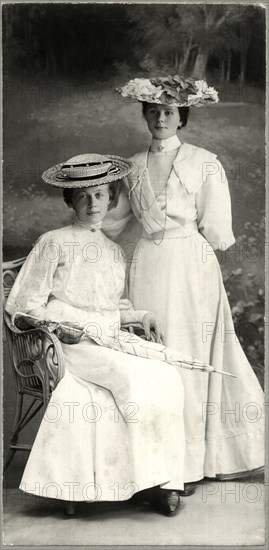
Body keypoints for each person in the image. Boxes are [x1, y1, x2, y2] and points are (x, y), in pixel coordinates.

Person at [5, 152, 194, 516]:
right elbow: (24, 305)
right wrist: (59, 327)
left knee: (168, 376)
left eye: (101, 194)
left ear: (111, 198)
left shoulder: (112, 251)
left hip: (108, 339)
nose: (93, 203)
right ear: (71, 200)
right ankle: (144, 484)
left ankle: (163, 481)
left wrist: (141, 314)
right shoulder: (54, 242)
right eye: (84, 196)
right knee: (132, 380)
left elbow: (110, 307)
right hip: (68, 344)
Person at [102, 76, 264, 493]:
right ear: (144, 115)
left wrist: (195, 257)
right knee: (151, 358)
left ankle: (189, 464)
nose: (160, 118)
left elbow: (218, 231)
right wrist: (68, 243)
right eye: (153, 111)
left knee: (187, 356)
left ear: (182, 117)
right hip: (148, 265)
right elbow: (113, 224)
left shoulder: (204, 161)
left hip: (191, 268)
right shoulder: (132, 165)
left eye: (169, 112)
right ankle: (155, 462)